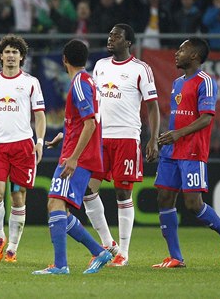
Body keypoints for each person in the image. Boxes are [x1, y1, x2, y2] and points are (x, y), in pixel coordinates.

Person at [153, 37, 220, 268]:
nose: (176, 53)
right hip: (172, 149)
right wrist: (163, 139)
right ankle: (175, 257)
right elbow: (178, 115)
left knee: (193, 203)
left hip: (192, 150)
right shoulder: (177, 82)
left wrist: (179, 134)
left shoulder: (206, 81)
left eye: (181, 49)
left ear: (194, 55)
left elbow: (206, 118)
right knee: (163, 197)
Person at [82, 23, 161, 267]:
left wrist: (153, 138)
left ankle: (123, 252)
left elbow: (152, 106)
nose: (111, 39)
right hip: (99, 136)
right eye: (109, 35)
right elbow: (93, 101)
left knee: (122, 192)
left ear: (128, 42)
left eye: (116, 36)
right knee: (87, 189)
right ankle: (108, 243)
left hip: (126, 136)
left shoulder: (141, 69)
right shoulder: (100, 66)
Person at [32, 39, 112, 275]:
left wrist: (74, 157)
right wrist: (64, 136)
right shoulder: (87, 81)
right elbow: (81, 122)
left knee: (55, 203)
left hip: (78, 156)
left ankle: (60, 265)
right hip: (76, 150)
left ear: (64, 59)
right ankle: (99, 252)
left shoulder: (79, 83)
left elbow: (90, 122)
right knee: (58, 206)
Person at [0, 34, 46, 263]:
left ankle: (12, 248)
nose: (10, 56)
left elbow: (39, 115)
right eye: (7, 52)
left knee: (18, 198)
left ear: (22, 57)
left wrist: (39, 142)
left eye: (15, 52)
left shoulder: (31, 82)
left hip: (22, 147)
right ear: (0, 56)